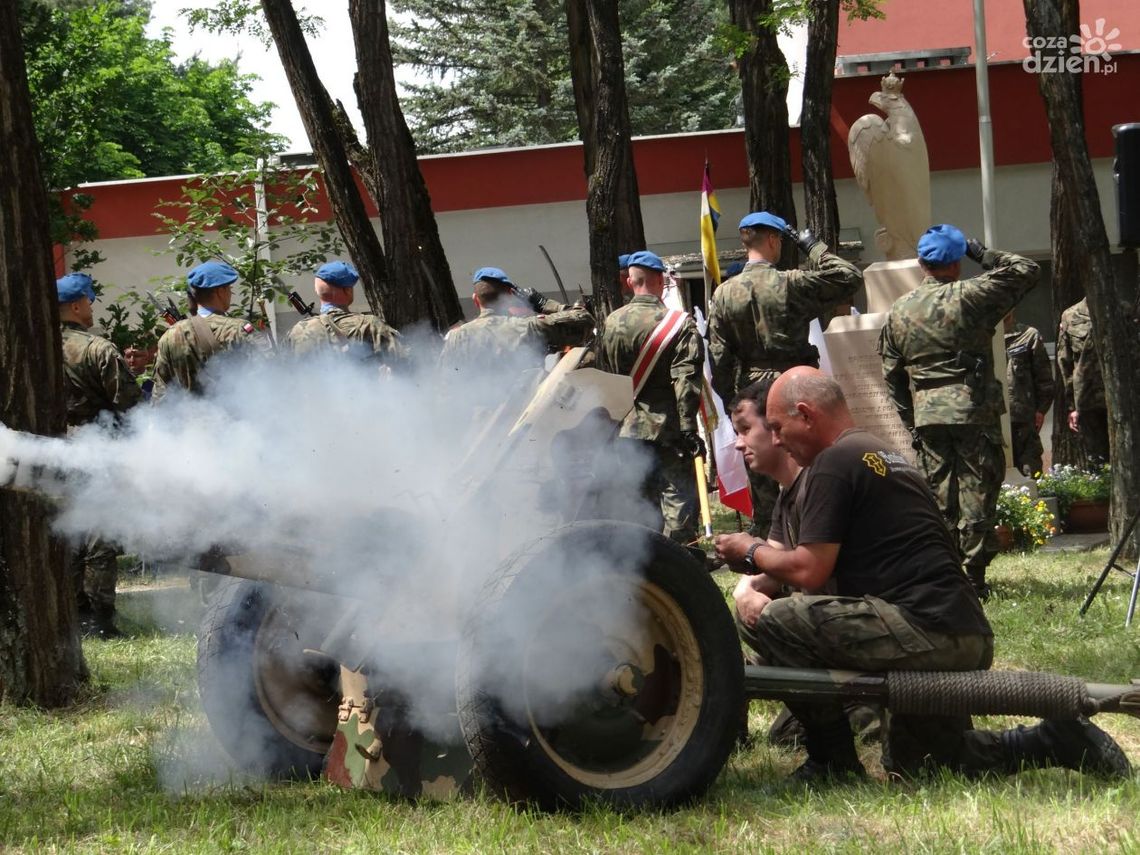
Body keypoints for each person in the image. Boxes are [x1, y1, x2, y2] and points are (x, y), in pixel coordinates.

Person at [714, 367, 1130, 784]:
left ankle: (831, 762)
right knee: (923, 764)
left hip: (922, 628)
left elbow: (809, 570)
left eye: (779, 428)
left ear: (806, 414)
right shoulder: (877, 452)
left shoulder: (833, 463)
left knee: (776, 619)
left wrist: (748, 550)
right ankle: (1052, 740)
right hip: (961, 631)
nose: (779, 439)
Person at [880, 225, 1039, 600]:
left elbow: (892, 375)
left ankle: (943, 573)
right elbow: (1026, 270)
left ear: (921, 263)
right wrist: (981, 252)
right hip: (972, 411)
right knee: (976, 493)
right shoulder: (972, 294)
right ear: (956, 263)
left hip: (928, 416)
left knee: (938, 496)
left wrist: (911, 420)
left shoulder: (899, 311)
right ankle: (973, 579)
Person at [708, 211, 862, 538]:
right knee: (805, 464)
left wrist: (732, 403)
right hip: (794, 388)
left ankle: (767, 548)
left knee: (762, 476)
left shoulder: (723, 294)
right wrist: (811, 245)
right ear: (774, 240)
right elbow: (848, 275)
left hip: (750, 390)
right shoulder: (791, 283)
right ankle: (812, 537)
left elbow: (719, 357)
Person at [596, 250, 704, 548]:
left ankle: (643, 564)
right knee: (677, 498)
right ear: (660, 281)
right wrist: (688, 429)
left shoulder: (611, 323)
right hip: (667, 427)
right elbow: (686, 379)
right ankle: (684, 561)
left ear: (630, 282)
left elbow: (605, 376)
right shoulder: (678, 324)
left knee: (637, 501)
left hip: (625, 428)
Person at [58, 272, 143, 636]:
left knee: (69, 533)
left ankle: (72, 614)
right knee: (100, 537)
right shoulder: (98, 349)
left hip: (54, 450)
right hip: (97, 449)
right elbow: (128, 403)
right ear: (76, 306)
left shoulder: (33, 347)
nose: (92, 307)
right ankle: (100, 620)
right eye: (89, 301)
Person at [439, 266, 593, 374]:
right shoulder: (527, 327)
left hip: (479, 418)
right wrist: (544, 304)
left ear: (475, 300)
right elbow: (585, 320)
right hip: (527, 414)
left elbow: (444, 386)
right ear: (510, 296)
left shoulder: (455, 337)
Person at [151, 260, 263, 402]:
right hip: (234, 421)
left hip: (187, 421)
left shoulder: (169, 336)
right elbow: (265, 377)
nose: (230, 293)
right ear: (220, 291)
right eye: (229, 288)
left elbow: (161, 394)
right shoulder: (239, 330)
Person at [285, 261, 406, 366]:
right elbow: (407, 361)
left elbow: (283, 375)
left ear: (316, 291)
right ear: (348, 290)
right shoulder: (369, 325)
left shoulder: (297, 331)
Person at [1057, 297, 1109, 464]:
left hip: (1121, 402)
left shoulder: (1120, 310)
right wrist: (1072, 406)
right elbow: (1065, 363)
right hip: (1088, 401)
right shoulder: (1071, 316)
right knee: (1096, 461)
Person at [1004, 311, 1055, 476]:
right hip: (992, 419)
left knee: (1029, 472)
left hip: (1022, 418)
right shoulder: (980, 337)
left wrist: (1041, 410)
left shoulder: (1028, 335)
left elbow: (1044, 377)